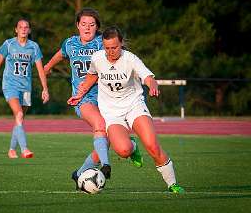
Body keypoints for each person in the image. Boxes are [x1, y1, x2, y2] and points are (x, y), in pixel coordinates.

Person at [68, 26, 185, 193]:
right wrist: (80, 94)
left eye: (114, 47)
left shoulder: (131, 59)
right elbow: (92, 76)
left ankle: (173, 184)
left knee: (152, 146)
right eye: (107, 48)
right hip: (111, 113)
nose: (110, 51)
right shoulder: (98, 58)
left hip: (134, 106)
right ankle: (133, 146)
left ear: (121, 43)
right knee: (124, 151)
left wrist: (152, 85)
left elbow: (148, 77)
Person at [44, 8, 142, 185]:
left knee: (104, 143)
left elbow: (122, 58)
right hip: (83, 98)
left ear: (97, 27)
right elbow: (60, 55)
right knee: (100, 125)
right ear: (77, 25)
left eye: (92, 24)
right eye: (83, 24)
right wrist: (47, 67)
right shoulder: (70, 43)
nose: (87, 28)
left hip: (109, 98)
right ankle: (106, 166)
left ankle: (79, 174)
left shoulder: (101, 43)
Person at [0, 18, 49, 159]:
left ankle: (11, 150)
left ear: (29, 30)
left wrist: (45, 89)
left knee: (19, 119)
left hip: (26, 88)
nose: (24, 29)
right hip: (10, 86)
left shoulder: (34, 47)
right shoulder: (8, 44)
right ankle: (24, 149)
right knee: (19, 114)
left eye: (26, 27)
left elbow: (40, 70)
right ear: (16, 29)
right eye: (21, 27)